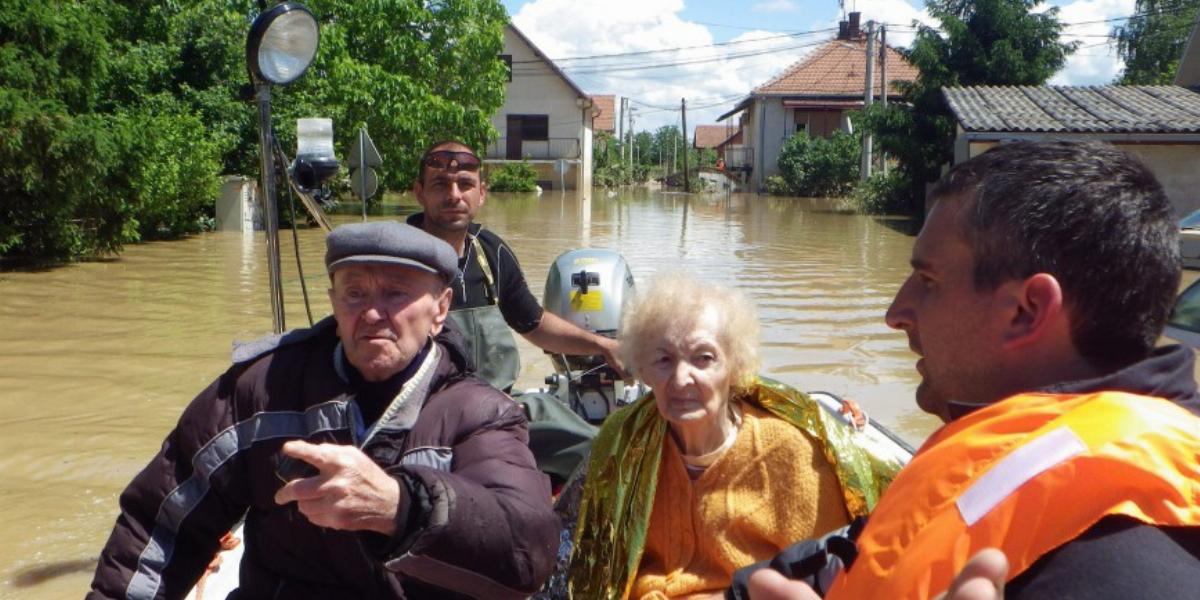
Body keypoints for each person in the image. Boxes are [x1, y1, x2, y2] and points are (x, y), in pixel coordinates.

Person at [740, 140, 1200, 600]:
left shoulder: (1114, 570)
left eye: (928, 280)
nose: (896, 311)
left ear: (1026, 310)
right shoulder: (1019, 459)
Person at [88, 221, 559, 599]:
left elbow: (528, 553)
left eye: (396, 293)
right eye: (355, 293)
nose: (372, 313)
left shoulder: (479, 411)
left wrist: (402, 508)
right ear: (333, 302)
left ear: (441, 308)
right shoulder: (261, 390)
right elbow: (164, 520)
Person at [567, 274, 902, 599]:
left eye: (704, 358)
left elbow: (827, 580)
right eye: (664, 359)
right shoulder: (621, 441)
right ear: (641, 367)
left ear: (735, 366)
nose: (682, 378)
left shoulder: (791, 454)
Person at [406, 140, 623, 392]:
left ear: (482, 194)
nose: (454, 195)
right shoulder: (395, 260)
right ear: (420, 192)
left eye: (465, 184)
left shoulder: (491, 252)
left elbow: (534, 323)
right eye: (440, 184)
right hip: (426, 410)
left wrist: (603, 346)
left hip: (497, 405)